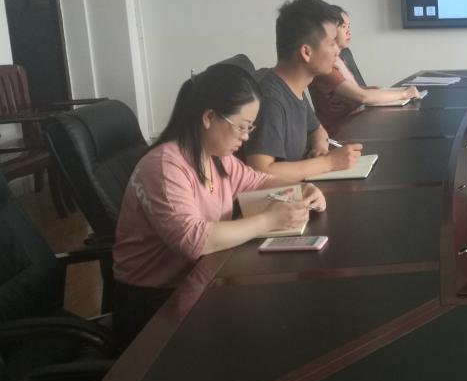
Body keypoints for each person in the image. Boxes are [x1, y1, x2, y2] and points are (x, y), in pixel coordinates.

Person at [112, 63, 327, 343]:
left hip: (198, 281)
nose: (246, 137)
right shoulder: (165, 166)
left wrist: (302, 189)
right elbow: (192, 240)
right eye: (242, 127)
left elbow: (257, 180)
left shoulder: (215, 156)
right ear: (209, 117)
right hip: (155, 305)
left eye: (250, 128)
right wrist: (268, 220)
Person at [244, 0, 363, 181]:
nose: (337, 50)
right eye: (332, 43)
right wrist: (328, 163)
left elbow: (317, 130)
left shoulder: (295, 86)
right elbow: (260, 172)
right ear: (306, 52)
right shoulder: (270, 100)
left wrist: (320, 149)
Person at [309, 6, 419, 132]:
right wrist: (404, 94)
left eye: (349, 26)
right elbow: (362, 97)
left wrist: (383, 90)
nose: (348, 32)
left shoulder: (339, 59)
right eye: (343, 27)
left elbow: (356, 90)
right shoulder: (326, 67)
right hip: (338, 129)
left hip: (354, 121)